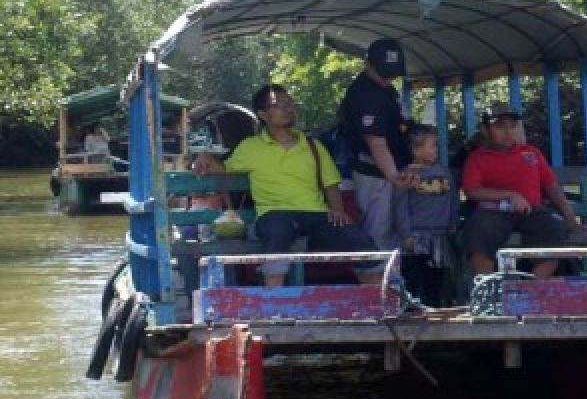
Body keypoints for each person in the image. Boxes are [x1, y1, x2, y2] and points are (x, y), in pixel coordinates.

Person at [193, 83, 383, 287]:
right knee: (278, 230)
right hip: (274, 214)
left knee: (354, 237)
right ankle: (273, 300)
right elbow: (222, 169)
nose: (287, 108)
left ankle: (377, 300)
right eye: (279, 105)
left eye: (289, 103)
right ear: (263, 115)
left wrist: (337, 209)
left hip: (315, 216)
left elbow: (330, 183)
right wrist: (203, 155)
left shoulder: (313, 146)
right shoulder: (250, 147)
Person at [461, 104, 581, 278]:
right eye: (500, 126)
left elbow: (552, 187)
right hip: (494, 211)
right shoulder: (476, 158)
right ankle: (486, 289)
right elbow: (472, 191)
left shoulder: (531, 153)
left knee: (554, 228)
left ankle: (529, 287)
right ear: (485, 130)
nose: (508, 132)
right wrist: (509, 195)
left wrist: (571, 219)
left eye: (512, 126)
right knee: (478, 229)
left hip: (532, 211)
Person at [339, 37, 419, 251]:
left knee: (397, 229)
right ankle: (378, 281)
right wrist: (393, 175)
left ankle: (394, 280)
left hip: (396, 168)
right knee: (378, 231)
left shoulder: (387, 89)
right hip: (376, 171)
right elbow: (376, 142)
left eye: (392, 73)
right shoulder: (364, 93)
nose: (388, 78)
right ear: (368, 64)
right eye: (383, 72)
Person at [395, 124, 456, 305]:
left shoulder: (444, 172)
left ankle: (435, 307)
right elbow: (400, 206)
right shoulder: (406, 174)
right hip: (416, 235)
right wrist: (405, 233)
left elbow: (452, 198)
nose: (435, 150)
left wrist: (453, 220)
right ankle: (411, 309)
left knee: (436, 278)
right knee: (413, 277)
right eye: (432, 146)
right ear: (416, 149)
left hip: (440, 234)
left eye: (436, 145)